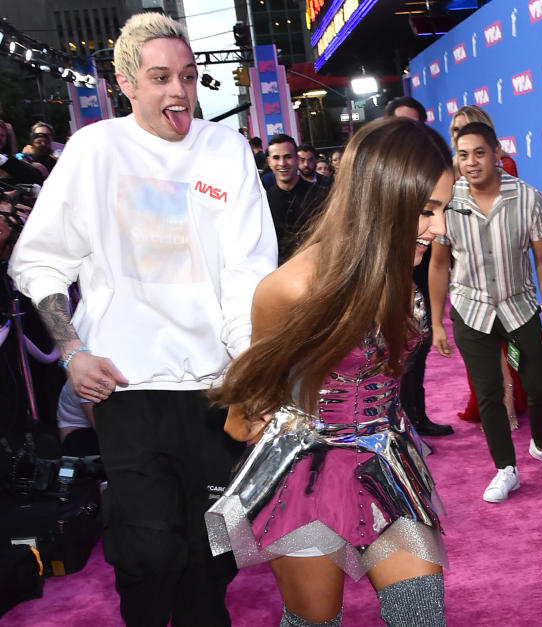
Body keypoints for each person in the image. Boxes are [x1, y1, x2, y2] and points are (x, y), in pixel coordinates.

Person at [7, 12, 277, 625]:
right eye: (159, 78)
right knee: (149, 551)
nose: (178, 92)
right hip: (127, 386)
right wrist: (73, 351)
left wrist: (249, 369)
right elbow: (40, 262)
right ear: (126, 83)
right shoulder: (95, 150)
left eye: (186, 76)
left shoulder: (227, 150)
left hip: (216, 385)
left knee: (214, 553)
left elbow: (247, 271)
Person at [205, 116, 452, 627]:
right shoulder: (290, 289)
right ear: (381, 201)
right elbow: (241, 415)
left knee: (421, 613)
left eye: (445, 209)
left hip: (386, 458)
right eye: (426, 211)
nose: (440, 228)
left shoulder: (401, 266)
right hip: (306, 475)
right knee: (314, 621)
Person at [429, 121, 542, 502]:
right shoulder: (448, 200)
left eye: (479, 152)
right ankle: (505, 468)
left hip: (520, 306)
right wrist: (435, 322)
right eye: (463, 155)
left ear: (498, 153)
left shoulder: (528, 198)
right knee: (488, 393)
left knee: (537, 384)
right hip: (470, 309)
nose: (471, 162)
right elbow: (437, 265)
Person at [447, 104, 537, 428]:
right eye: (456, 131)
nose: (463, 136)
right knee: (483, 344)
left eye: (468, 128)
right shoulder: (450, 174)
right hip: (467, 271)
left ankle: (511, 396)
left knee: (507, 340)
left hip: (503, 270)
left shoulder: (506, 166)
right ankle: (500, 400)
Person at [383, 96, 454, 437]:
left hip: (419, 275)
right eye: (427, 211)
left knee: (417, 347)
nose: (439, 226)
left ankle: (415, 416)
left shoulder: (440, 180)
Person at [266, 133, 327, 263]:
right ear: (269, 162)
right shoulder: (264, 202)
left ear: (297, 160)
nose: (282, 163)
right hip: (279, 273)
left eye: (288, 157)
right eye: (276, 158)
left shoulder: (321, 195)